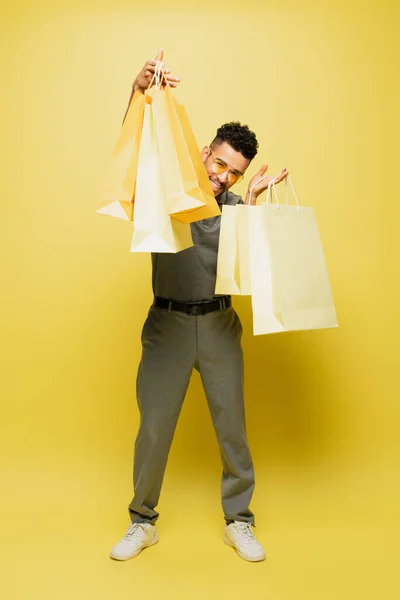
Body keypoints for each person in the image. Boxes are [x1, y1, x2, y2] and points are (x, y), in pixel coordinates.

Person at [110, 49, 288, 563]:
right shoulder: (170, 191)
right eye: (219, 163)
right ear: (205, 151)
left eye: (235, 172)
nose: (223, 176)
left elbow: (252, 269)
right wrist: (137, 90)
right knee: (154, 428)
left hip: (218, 324)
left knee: (232, 426)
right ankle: (142, 521)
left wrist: (252, 207)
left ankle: (240, 520)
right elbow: (133, 153)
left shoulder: (235, 204)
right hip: (165, 322)